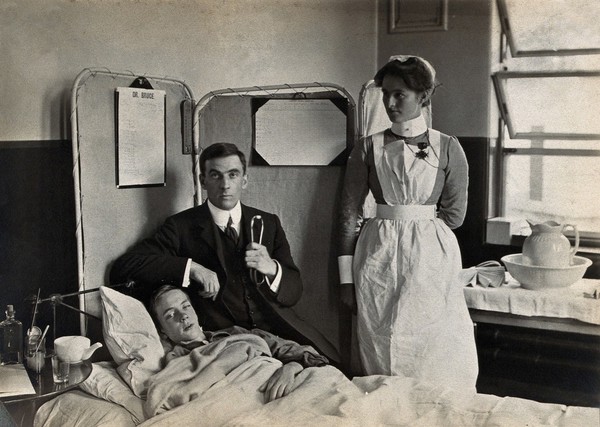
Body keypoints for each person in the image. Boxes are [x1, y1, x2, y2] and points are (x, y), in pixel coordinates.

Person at [110, 142, 338, 363]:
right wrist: (192, 269)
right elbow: (124, 267)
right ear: (203, 181)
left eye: (233, 174)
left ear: (245, 180)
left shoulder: (268, 223)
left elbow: (293, 292)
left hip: (280, 331)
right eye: (216, 175)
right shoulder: (180, 227)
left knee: (333, 368)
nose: (225, 185)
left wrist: (272, 269)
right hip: (225, 340)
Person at [337, 56, 478, 391]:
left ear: (423, 97)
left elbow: (455, 215)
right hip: (377, 254)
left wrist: (418, 228)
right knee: (380, 339)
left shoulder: (448, 147)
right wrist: (345, 281)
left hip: (430, 257)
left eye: (399, 94)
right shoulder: (367, 148)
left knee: (432, 341)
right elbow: (348, 216)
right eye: (385, 94)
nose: (389, 102)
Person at [149, 285, 328, 402]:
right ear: (163, 331)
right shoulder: (177, 361)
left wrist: (292, 367)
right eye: (171, 315)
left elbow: (312, 357)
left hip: (285, 389)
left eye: (185, 306)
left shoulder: (237, 333)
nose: (183, 316)